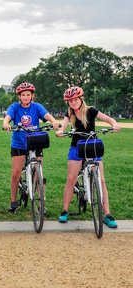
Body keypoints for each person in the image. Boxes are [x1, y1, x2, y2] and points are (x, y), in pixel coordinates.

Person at [56, 86, 120, 228]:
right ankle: (65, 211)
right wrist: (60, 131)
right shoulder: (69, 114)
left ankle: (107, 215)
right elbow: (64, 125)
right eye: (70, 100)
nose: (73, 102)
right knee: (71, 179)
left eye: (75, 99)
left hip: (92, 147)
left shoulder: (91, 110)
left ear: (80, 98)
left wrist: (114, 124)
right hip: (77, 147)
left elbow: (108, 119)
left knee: (101, 180)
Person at [2, 82, 59, 213]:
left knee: (38, 174)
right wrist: (6, 123)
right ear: (19, 96)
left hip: (35, 142)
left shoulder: (37, 107)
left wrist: (54, 121)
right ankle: (13, 202)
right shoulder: (15, 107)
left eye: (28, 94)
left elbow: (46, 115)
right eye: (23, 95)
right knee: (16, 173)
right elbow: (8, 117)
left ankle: (41, 202)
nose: (26, 97)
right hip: (19, 143)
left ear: (32, 96)